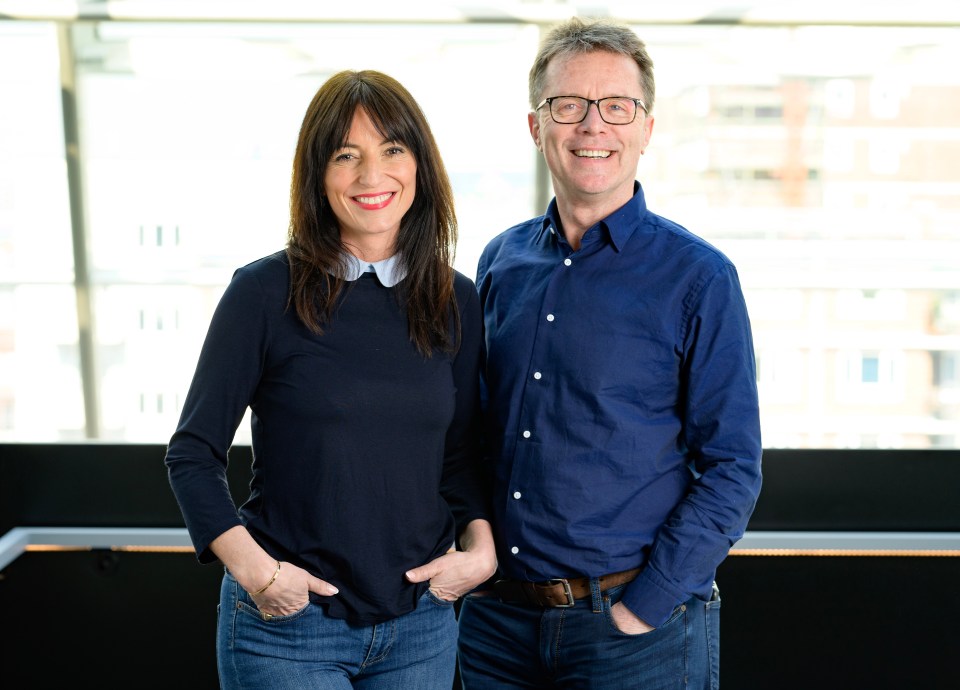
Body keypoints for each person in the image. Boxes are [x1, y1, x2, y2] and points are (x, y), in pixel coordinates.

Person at [456, 17, 763, 689]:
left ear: (645, 128)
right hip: (496, 628)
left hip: (632, 634)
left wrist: (644, 607)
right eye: (569, 105)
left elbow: (733, 468)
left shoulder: (699, 278)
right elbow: (474, 432)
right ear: (538, 127)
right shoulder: (501, 262)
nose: (593, 125)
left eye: (616, 106)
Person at [164, 69, 496, 689]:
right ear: (319, 175)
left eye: (392, 150)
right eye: (348, 156)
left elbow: (458, 458)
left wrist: (479, 551)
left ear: (420, 166)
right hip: (288, 628)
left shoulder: (455, 299)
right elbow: (192, 455)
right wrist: (259, 575)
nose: (373, 176)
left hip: (422, 626)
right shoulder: (263, 293)